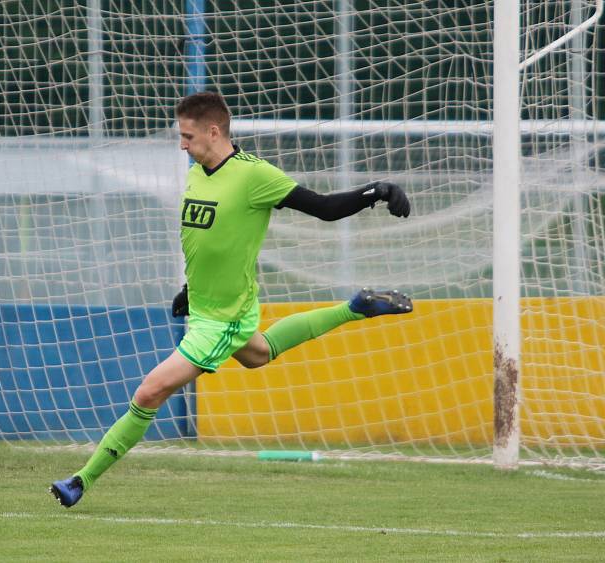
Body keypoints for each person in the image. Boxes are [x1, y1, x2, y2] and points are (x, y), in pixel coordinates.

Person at [50, 91, 412, 507]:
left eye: (187, 136)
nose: (182, 145)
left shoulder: (253, 176)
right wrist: (192, 290)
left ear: (214, 131)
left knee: (149, 392)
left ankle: (81, 480)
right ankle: (355, 308)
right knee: (259, 353)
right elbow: (207, 240)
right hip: (208, 307)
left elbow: (324, 208)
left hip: (221, 319)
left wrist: (378, 191)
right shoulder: (196, 173)